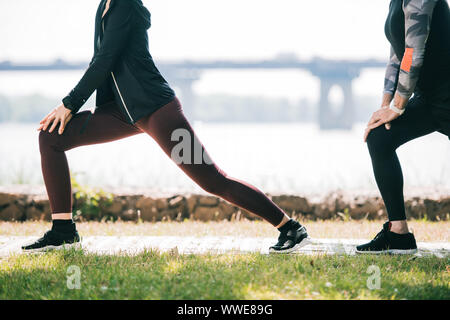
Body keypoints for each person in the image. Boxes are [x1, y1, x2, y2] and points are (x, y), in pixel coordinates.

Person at [22, 0, 310, 253]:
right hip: (122, 113)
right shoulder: (105, 4)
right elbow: (106, 64)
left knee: (213, 180)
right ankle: (63, 230)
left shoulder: (126, 4)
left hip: (158, 111)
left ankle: (290, 228)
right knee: (51, 137)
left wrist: (70, 103)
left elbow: (104, 59)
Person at [357, 0, 449, 254]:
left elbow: (414, 51)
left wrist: (398, 106)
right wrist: (385, 107)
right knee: (379, 138)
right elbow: (397, 55)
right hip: (429, 98)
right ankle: (398, 234)